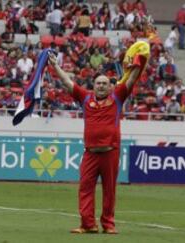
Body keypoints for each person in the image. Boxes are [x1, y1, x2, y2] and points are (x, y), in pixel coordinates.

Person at [48, 52, 142, 234]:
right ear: (93, 86)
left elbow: (130, 81)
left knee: (109, 190)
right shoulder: (85, 98)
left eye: (104, 84)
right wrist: (55, 66)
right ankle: (88, 224)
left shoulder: (117, 98)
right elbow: (68, 83)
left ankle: (108, 224)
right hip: (90, 153)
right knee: (85, 188)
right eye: (98, 83)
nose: (101, 86)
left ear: (110, 87)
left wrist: (138, 64)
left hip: (110, 152)